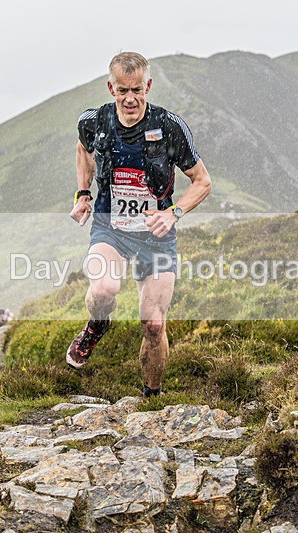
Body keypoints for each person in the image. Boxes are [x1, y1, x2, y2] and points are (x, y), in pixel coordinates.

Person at [67, 51, 211, 397]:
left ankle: (152, 398)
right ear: (111, 88)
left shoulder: (169, 127)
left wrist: (173, 213)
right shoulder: (94, 122)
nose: (130, 99)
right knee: (103, 290)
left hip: (156, 237)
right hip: (111, 228)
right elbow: (83, 150)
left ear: (148, 86)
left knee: (154, 324)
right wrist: (83, 194)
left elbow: (202, 181)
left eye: (136, 90)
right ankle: (97, 324)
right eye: (122, 91)